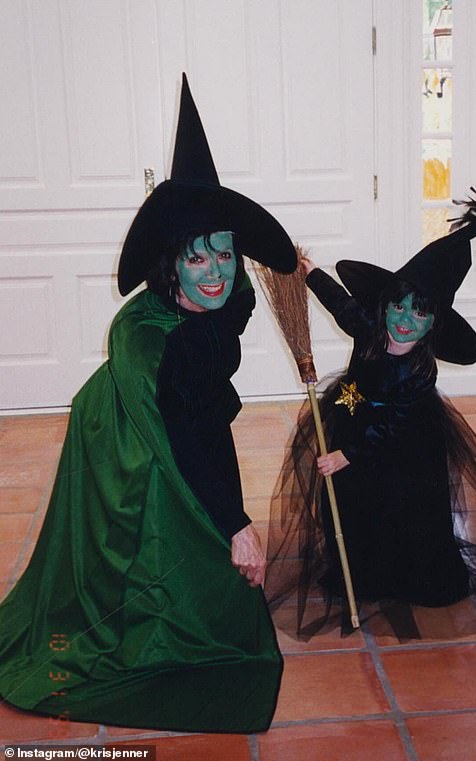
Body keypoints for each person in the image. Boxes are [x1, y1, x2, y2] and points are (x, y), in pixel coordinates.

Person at [0, 75, 296, 733]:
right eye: (197, 259)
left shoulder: (230, 294)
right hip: (129, 435)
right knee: (174, 529)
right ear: (171, 267)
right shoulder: (173, 348)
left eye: (224, 251)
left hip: (187, 410)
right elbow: (187, 439)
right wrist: (236, 524)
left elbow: (239, 308)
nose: (216, 269)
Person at [265, 187, 476, 640]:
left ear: (433, 324)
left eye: (418, 314)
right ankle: (361, 570)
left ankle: (408, 573)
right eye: (397, 306)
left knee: (402, 507)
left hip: (402, 445)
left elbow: (392, 427)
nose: (403, 320)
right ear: (385, 305)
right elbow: (340, 304)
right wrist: (310, 272)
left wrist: (347, 455)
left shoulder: (419, 372)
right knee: (355, 502)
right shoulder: (370, 327)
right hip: (353, 416)